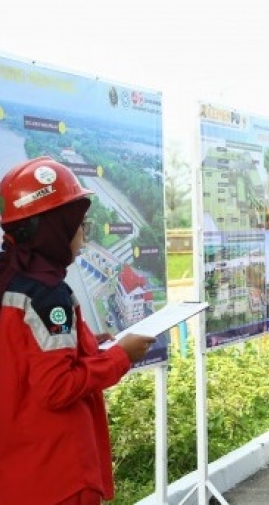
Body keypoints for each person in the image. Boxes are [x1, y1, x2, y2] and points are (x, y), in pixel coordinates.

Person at [0, 157, 155, 504]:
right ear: (55, 228)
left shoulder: (9, 280)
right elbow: (56, 387)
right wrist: (120, 356)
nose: (84, 233)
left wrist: (85, 344)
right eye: (79, 224)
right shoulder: (46, 294)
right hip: (57, 473)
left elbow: (24, 355)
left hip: (16, 472)